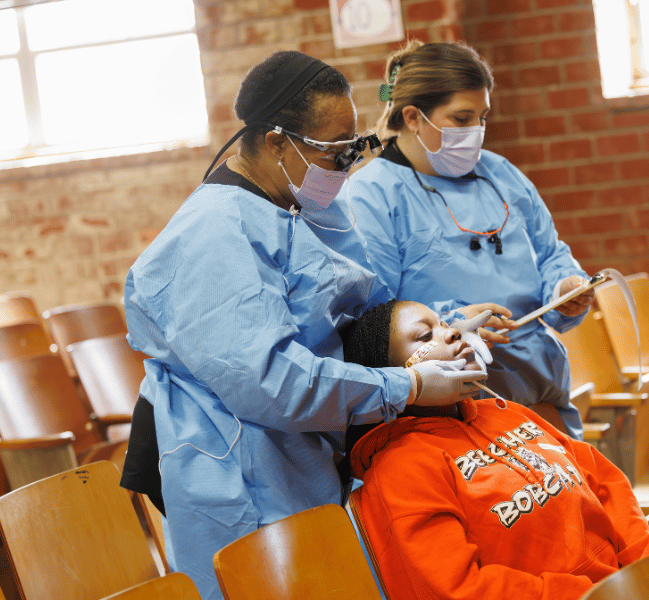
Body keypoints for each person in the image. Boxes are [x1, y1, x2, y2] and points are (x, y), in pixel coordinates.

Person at [121, 50, 497, 600]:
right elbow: (272, 382)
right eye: (333, 151)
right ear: (276, 142)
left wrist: (445, 327)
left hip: (302, 449)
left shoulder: (296, 206)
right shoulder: (215, 234)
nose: (344, 165)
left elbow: (362, 316)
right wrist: (409, 385)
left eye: (352, 149)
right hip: (240, 467)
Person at [341, 300, 649, 600]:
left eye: (446, 323)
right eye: (424, 335)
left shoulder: (508, 413)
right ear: (387, 375)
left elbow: (605, 485)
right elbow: (458, 589)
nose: (452, 332)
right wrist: (594, 595)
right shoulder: (400, 468)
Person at [345, 41, 594, 439]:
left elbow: (551, 255)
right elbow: (377, 319)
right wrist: (455, 322)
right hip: (458, 409)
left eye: (482, 117)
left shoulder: (500, 173)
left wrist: (565, 286)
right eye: (461, 118)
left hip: (542, 389)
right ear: (413, 117)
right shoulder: (372, 195)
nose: (475, 132)